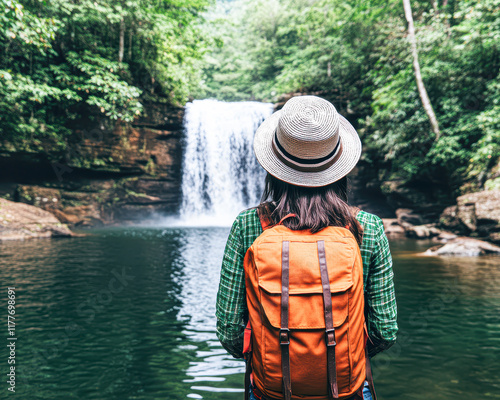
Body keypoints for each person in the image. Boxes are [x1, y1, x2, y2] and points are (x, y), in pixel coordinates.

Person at [216, 96, 398, 400]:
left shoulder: (248, 226)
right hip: (348, 390)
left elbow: (231, 332)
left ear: (274, 165)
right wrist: (342, 353)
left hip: (270, 390)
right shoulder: (367, 228)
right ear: (339, 165)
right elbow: (384, 331)